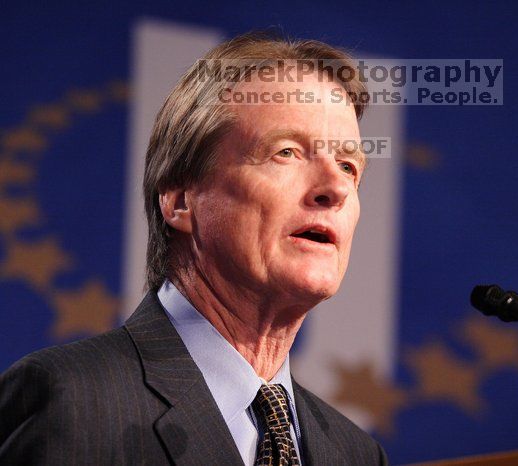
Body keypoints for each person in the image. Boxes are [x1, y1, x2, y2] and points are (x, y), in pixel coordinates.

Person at [0, 32, 388, 465]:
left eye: (348, 166)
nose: (335, 187)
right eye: (287, 152)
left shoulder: (357, 454)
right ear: (181, 200)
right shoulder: (73, 401)